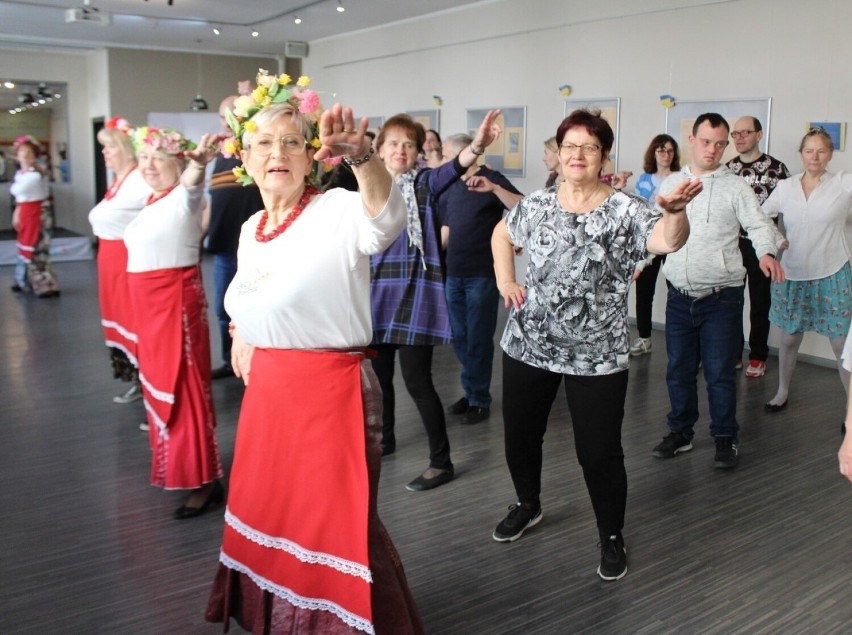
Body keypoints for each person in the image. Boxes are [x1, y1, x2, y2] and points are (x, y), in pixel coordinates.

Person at [204, 70, 423, 634]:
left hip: (330, 397)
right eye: (264, 144)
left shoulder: (336, 209)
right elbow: (251, 296)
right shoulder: (252, 226)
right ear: (245, 161)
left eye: (292, 142)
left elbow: (386, 223)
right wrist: (244, 331)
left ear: (311, 157)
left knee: (333, 529)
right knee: (272, 518)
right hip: (269, 400)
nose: (278, 153)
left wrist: (364, 158)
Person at [490, 108, 700, 581]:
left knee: (599, 452)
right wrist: (506, 280)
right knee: (520, 436)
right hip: (528, 344)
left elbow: (668, 242)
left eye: (589, 146)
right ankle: (528, 503)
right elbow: (502, 233)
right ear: (560, 154)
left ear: (603, 155)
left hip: (597, 353)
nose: (578, 154)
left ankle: (610, 534)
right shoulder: (538, 204)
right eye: (570, 146)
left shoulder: (627, 210)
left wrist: (676, 212)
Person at [370, 110, 502, 492]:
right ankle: (386, 439)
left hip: (415, 295)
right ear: (379, 149)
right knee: (379, 384)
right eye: (394, 143)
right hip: (376, 294)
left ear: (418, 153)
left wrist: (477, 145)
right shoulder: (367, 187)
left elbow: (456, 168)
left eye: (409, 144)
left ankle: (441, 462)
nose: (402, 150)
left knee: (418, 383)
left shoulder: (426, 184)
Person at [651, 113, 785, 470]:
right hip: (679, 296)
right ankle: (681, 432)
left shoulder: (736, 186)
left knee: (719, 372)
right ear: (692, 140)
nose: (712, 150)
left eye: (720, 143)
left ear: (726, 145)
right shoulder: (671, 184)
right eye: (706, 141)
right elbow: (653, 232)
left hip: (722, 298)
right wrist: (635, 265)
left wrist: (766, 253)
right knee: (678, 369)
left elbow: (759, 225)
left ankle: (725, 437)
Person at [124, 125, 223, 518]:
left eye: (158, 158)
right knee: (164, 386)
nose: (148, 166)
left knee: (185, 390)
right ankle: (184, 469)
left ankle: (205, 480)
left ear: (178, 163)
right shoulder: (153, 199)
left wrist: (197, 166)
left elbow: (193, 184)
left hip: (174, 306)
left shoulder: (184, 196)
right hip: (150, 308)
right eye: (144, 157)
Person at [763, 127, 852, 413]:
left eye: (822, 150)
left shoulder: (843, 183)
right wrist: (777, 239)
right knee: (789, 338)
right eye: (809, 150)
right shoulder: (786, 186)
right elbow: (761, 217)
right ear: (801, 153)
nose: (815, 156)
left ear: (830, 154)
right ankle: (782, 390)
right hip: (792, 273)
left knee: (841, 346)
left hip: (833, 272)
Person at [438, 133, 523, 424]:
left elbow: (523, 207)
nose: (444, 160)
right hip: (453, 274)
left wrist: (496, 189)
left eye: (447, 154)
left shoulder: (492, 179)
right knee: (460, 338)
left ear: (465, 154)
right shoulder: (450, 185)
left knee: (478, 339)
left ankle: (479, 398)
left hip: (482, 275)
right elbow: (448, 228)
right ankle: (471, 389)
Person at [88, 116, 151, 406]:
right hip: (110, 261)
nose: (104, 153)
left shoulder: (139, 180)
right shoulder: (119, 181)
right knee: (121, 319)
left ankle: (149, 382)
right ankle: (137, 380)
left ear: (124, 148)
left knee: (135, 322)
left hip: (127, 260)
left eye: (109, 147)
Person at [727, 116, 792, 378]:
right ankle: (733, 352)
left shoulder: (776, 168)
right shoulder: (727, 169)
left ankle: (757, 355)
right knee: (731, 301)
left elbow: (789, 208)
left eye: (745, 132)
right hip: (731, 244)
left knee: (759, 301)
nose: (739, 138)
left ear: (759, 134)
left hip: (761, 246)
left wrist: (781, 242)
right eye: (735, 134)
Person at [206, 94, 264, 380]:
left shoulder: (254, 151)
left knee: (256, 306)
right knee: (221, 309)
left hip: (255, 250)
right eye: (222, 117)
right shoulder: (216, 157)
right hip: (223, 247)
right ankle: (230, 362)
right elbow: (212, 202)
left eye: (232, 116)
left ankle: (257, 359)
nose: (226, 123)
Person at [629, 134, 681, 357]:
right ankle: (644, 338)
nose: (665, 154)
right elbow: (639, 210)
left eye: (669, 150)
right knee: (644, 291)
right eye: (661, 150)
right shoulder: (644, 179)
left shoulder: (680, 179)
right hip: (649, 240)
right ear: (654, 153)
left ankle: (678, 340)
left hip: (673, 240)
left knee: (676, 291)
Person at [9, 135, 60, 297]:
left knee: (37, 250)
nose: (24, 155)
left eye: (28, 152)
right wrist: (17, 213)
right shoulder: (21, 174)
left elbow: (16, 191)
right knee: (26, 249)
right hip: (26, 212)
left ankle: (45, 285)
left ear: (34, 155)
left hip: (38, 214)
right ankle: (24, 281)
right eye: (22, 152)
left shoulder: (35, 175)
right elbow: (19, 197)